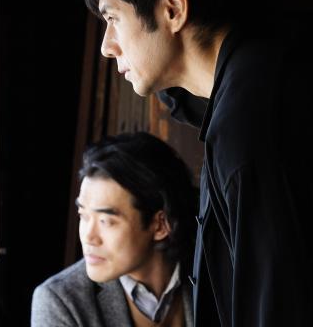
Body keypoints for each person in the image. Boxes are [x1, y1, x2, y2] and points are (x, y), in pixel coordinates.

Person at [81, 0, 313, 326]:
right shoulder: (276, 57)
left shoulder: (255, 120)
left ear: (173, 8)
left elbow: (283, 308)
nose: (107, 46)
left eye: (113, 18)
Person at [31, 132, 197, 327]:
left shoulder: (211, 271)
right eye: (83, 215)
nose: (88, 237)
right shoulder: (61, 301)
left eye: (105, 221)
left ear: (160, 225)